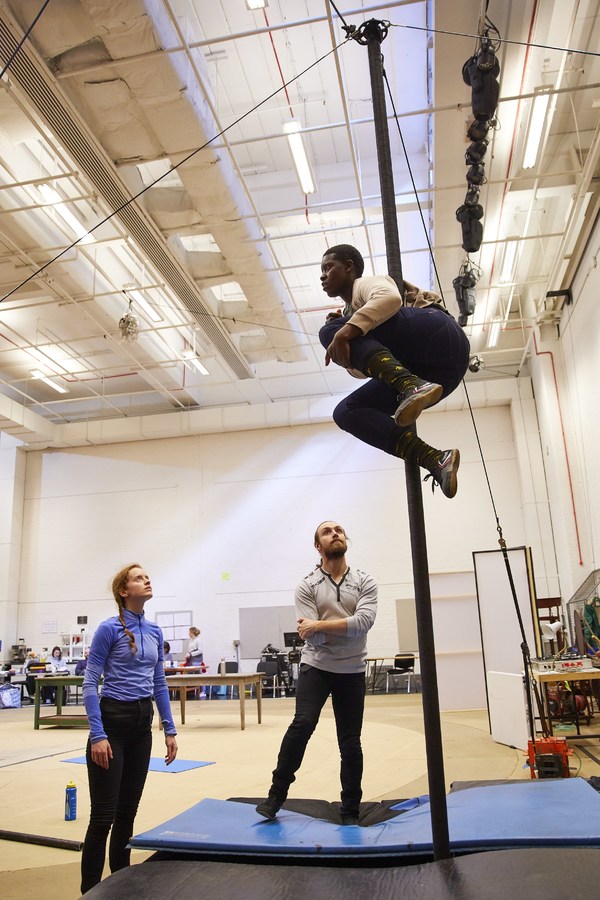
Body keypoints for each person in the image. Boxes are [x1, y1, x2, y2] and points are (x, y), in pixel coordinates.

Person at [318, 245, 470, 498]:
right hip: (440, 373)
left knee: (329, 332)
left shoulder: (364, 285)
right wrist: (347, 331)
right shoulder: (349, 314)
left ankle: (411, 386)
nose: (323, 276)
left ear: (348, 267)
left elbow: (390, 299)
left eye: (328, 267)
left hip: (437, 333)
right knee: (346, 412)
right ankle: (435, 460)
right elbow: (364, 372)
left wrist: (344, 330)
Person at [256, 520, 377, 826]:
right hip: (317, 667)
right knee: (302, 724)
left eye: (338, 530)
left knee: (350, 741)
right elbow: (315, 638)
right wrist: (342, 628)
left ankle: (350, 810)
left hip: (352, 670)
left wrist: (320, 624)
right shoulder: (307, 585)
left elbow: (363, 623)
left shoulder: (365, 581)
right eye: (327, 531)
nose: (335, 533)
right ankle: (275, 796)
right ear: (318, 546)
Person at [80, 564, 178, 894]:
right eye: (138, 578)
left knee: (127, 815)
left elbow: (159, 682)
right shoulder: (109, 629)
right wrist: (98, 734)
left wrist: (169, 728)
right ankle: (90, 890)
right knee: (103, 817)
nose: (146, 579)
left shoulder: (153, 631)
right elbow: (90, 683)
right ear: (124, 591)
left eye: (147, 576)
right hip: (111, 724)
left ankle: (120, 885)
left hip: (141, 727)